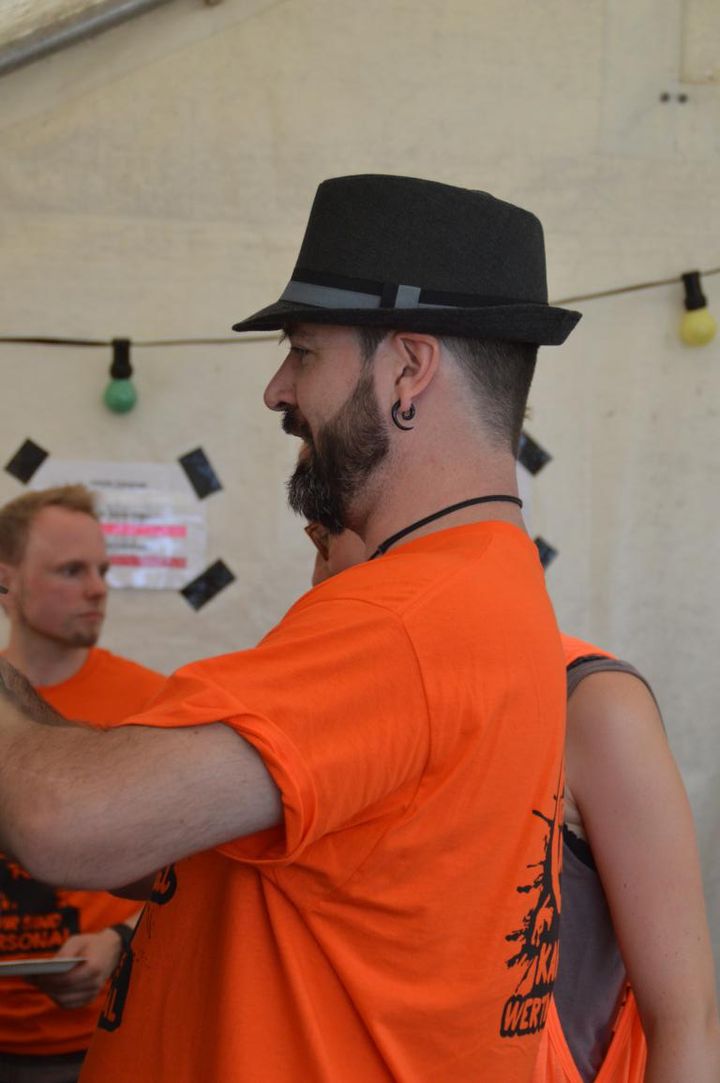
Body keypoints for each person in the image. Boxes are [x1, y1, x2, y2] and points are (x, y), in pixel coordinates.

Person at [0, 175, 584, 1082]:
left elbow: (67, 823)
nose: (277, 390)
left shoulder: (404, 620)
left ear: (408, 369)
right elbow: (177, 844)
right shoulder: (482, 588)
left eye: (304, 351)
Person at [307, 522, 720, 1083]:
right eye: (314, 541)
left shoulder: (591, 707)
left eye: (329, 536)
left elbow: (686, 1022)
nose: (320, 575)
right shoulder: (335, 706)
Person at [0, 486, 165, 1083]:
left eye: (103, 571)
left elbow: (193, 875)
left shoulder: (154, 703)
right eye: (72, 571)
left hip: (105, 1039)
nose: (98, 589)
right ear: (6, 582)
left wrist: (119, 938)